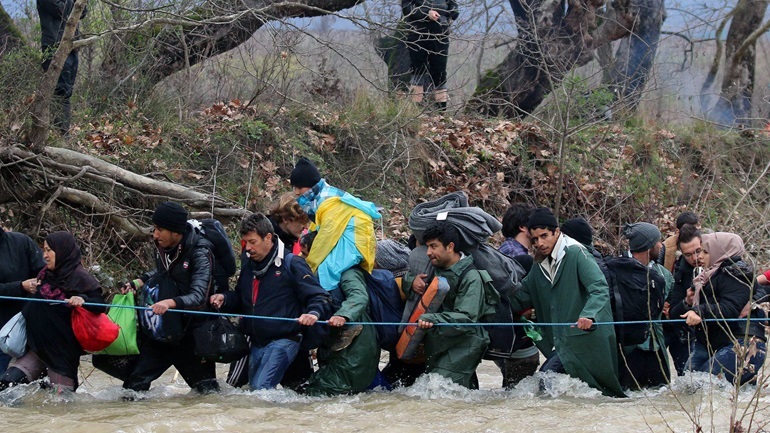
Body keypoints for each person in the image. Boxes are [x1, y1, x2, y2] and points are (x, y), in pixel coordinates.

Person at [510, 207, 625, 397]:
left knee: (546, 383)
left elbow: (599, 288)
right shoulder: (539, 265)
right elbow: (522, 296)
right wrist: (499, 288)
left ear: (557, 232)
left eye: (544, 236)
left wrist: (589, 314)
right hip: (563, 344)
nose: (540, 243)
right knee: (554, 389)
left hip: (585, 342)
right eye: (535, 239)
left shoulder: (576, 253)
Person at [209, 213, 331, 390]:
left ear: (268, 238)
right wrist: (225, 298)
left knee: (260, 390)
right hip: (257, 343)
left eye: (252, 242)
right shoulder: (249, 267)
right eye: (245, 243)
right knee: (254, 392)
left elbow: (319, 296)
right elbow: (241, 298)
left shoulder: (292, 263)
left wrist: (313, 313)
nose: (248, 248)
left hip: (284, 340)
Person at [122, 202, 219, 395]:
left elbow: (199, 295)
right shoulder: (163, 246)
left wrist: (170, 302)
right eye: (155, 228)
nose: (155, 235)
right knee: (132, 388)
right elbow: (163, 272)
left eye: (160, 229)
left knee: (208, 395)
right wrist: (139, 281)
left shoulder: (200, 252)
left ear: (176, 231)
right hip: (162, 331)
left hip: (191, 335)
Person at [0, 231, 105, 392]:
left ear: (62, 251)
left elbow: (100, 306)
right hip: (37, 349)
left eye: (49, 250)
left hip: (61, 353)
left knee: (62, 403)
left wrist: (83, 300)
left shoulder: (81, 278)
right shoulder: (45, 275)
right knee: (7, 384)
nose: (45, 255)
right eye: (44, 250)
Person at [670, 232, 767, 385]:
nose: (699, 256)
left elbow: (729, 308)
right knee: (687, 386)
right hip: (710, 342)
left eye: (704, 251)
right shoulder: (706, 275)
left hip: (743, 342)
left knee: (706, 386)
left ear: (720, 251)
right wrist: (688, 303)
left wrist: (698, 310)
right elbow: (674, 313)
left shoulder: (738, 273)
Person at [409, 223, 498, 389]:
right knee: (462, 395)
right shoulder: (434, 267)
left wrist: (432, 318)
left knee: (437, 392)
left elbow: (466, 318)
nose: (428, 252)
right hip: (442, 341)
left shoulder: (471, 277)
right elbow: (406, 277)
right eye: (427, 247)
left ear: (450, 247)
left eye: (434, 246)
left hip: (466, 344)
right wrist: (411, 282)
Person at [290, 157, 381, 294]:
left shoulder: (329, 202)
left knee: (325, 277)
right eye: (294, 187)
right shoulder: (321, 199)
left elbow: (324, 240)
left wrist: (306, 267)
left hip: (353, 248)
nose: (296, 192)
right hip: (346, 245)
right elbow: (315, 232)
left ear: (310, 184)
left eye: (299, 187)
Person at [302, 266, 380, 396]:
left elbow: (359, 296)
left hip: (355, 345)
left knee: (324, 391)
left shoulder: (347, 271)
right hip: (335, 343)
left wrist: (343, 315)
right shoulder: (323, 271)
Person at [612, 222, 671, 389]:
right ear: (648, 246)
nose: (661, 245)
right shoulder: (616, 270)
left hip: (657, 348)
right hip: (628, 350)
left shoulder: (664, 274)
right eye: (658, 241)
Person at [0, 227, 45, 376]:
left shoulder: (21, 241)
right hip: (2, 328)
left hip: (26, 322)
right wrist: (20, 286)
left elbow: (44, 272)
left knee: (26, 381)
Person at [37, 0, 85, 134]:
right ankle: (60, 135)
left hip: (71, 47)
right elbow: (62, 11)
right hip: (55, 48)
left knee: (66, 92)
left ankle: (62, 133)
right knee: (59, 92)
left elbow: (82, 12)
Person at [402, 0, 458, 110]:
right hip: (417, 34)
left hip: (440, 35)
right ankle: (415, 115)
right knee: (418, 73)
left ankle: (442, 115)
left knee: (440, 75)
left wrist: (451, 13)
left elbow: (453, 6)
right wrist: (426, 13)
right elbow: (407, 8)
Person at [663, 223, 701, 376]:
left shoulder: (719, 263)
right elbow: (673, 313)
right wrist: (687, 302)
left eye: (697, 251)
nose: (695, 258)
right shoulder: (681, 270)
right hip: (685, 335)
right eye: (688, 255)